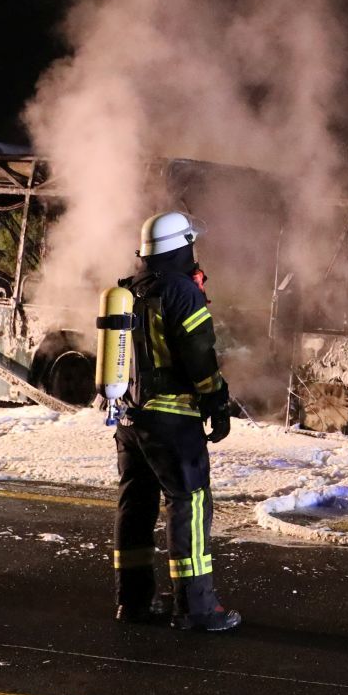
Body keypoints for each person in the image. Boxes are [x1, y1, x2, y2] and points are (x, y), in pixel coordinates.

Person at [112, 210, 242, 632]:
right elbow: (200, 356)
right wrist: (217, 402)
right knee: (189, 504)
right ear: (181, 246)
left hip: (130, 420)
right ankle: (198, 608)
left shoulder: (130, 290)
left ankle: (132, 603)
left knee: (136, 507)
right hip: (171, 420)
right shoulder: (181, 292)